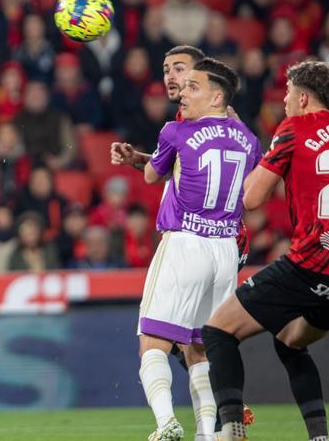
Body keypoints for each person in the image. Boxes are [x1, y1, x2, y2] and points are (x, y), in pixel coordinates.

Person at [111, 58, 260, 441]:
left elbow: (151, 174)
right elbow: (253, 194)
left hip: (185, 242)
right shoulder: (249, 138)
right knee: (202, 348)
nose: (183, 91)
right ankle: (207, 434)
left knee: (153, 341)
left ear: (216, 97)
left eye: (193, 86)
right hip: (226, 251)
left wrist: (143, 159)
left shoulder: (175, 132)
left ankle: (166, 423)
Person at [202, 61, 329, 441]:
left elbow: (251, 197)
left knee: (218, 332)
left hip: (311, 264)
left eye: (287, 93)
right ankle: (320, 438)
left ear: (303, 98)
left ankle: (231, 430)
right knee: (290, 340)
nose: (283, 100)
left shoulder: (294, 129)